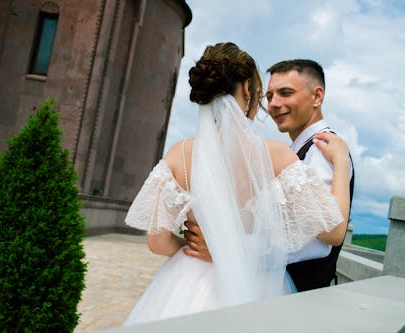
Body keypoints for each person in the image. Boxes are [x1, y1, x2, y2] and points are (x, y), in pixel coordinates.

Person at [122, 43, 350, 326]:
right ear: (246, 89)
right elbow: (335, 231)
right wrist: (341, 163)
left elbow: (157, 242)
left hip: (185, 281)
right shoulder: (276, 155)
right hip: (249, 286)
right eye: (260, 92)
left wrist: (194, 250)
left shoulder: (178, 154)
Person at [264, 59, 355, 292]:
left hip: (294, 295)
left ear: (317, 97)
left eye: (285, 93)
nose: (274, 104)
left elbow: (318, 237)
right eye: (269, 96)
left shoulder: (322, 150)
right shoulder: (299, 151)